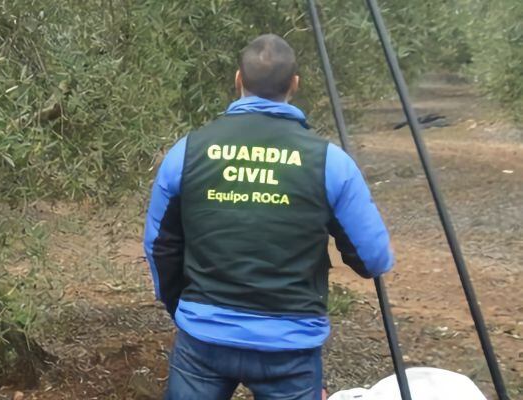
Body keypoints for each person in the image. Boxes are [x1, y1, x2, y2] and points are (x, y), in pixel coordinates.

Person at [143, 34, 394, 400]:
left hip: (203, 340)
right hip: (290, 346)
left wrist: (182, 305)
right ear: (295, 84)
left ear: (237, 80)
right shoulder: (331, 163)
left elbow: (158, 245)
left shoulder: (187, 152)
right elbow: (373, 258)